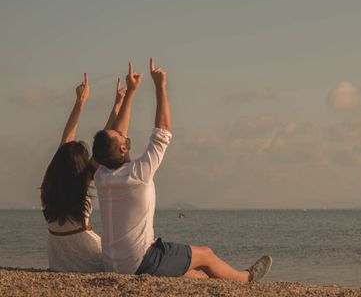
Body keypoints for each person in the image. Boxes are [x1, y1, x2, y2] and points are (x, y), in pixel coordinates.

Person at [92, 59, 272, 281]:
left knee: (195, 275)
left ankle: (218, 280)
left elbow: (115, 136)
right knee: (206, 254)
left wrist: (131, 92)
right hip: (141, 260)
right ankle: (247, 278)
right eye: (120, 136)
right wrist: (160, 86)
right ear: (121, 148)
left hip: (113, 263)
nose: (121, 132)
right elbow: (163, 132)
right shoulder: (138, 173)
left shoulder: (101, 176)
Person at [40, 73, 127, 272]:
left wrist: (80, 102)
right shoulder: (83, 180)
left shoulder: (49, 182)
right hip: (83, 252)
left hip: (58, 256)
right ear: (82, 164)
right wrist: (118, 104)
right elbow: (104, 144)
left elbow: (67, 137)